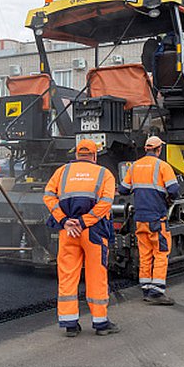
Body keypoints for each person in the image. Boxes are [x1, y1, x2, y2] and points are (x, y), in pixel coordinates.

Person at [44, 139, 119, 337]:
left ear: (77, 154)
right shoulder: (105, 174)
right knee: (96, 275)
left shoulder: (62, 172)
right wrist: (83, 222)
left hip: (68, 232)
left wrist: (66, 221)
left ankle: (69, 324)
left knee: (68, 276)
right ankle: (101, 323)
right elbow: (105, 204)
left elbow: (48, 196)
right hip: (93, 232)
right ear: (94, 156)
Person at [119, 135, 180, 305]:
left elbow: (123, 190)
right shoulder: (163, 166)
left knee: (145, 254)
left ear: (146, 149)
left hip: (140, 219)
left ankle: (146, 288)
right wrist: (167, 198)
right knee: (161, 253)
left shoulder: (134, 166)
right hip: (157, 219)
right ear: (159, 149)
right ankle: (157, 292)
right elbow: (174, 190)